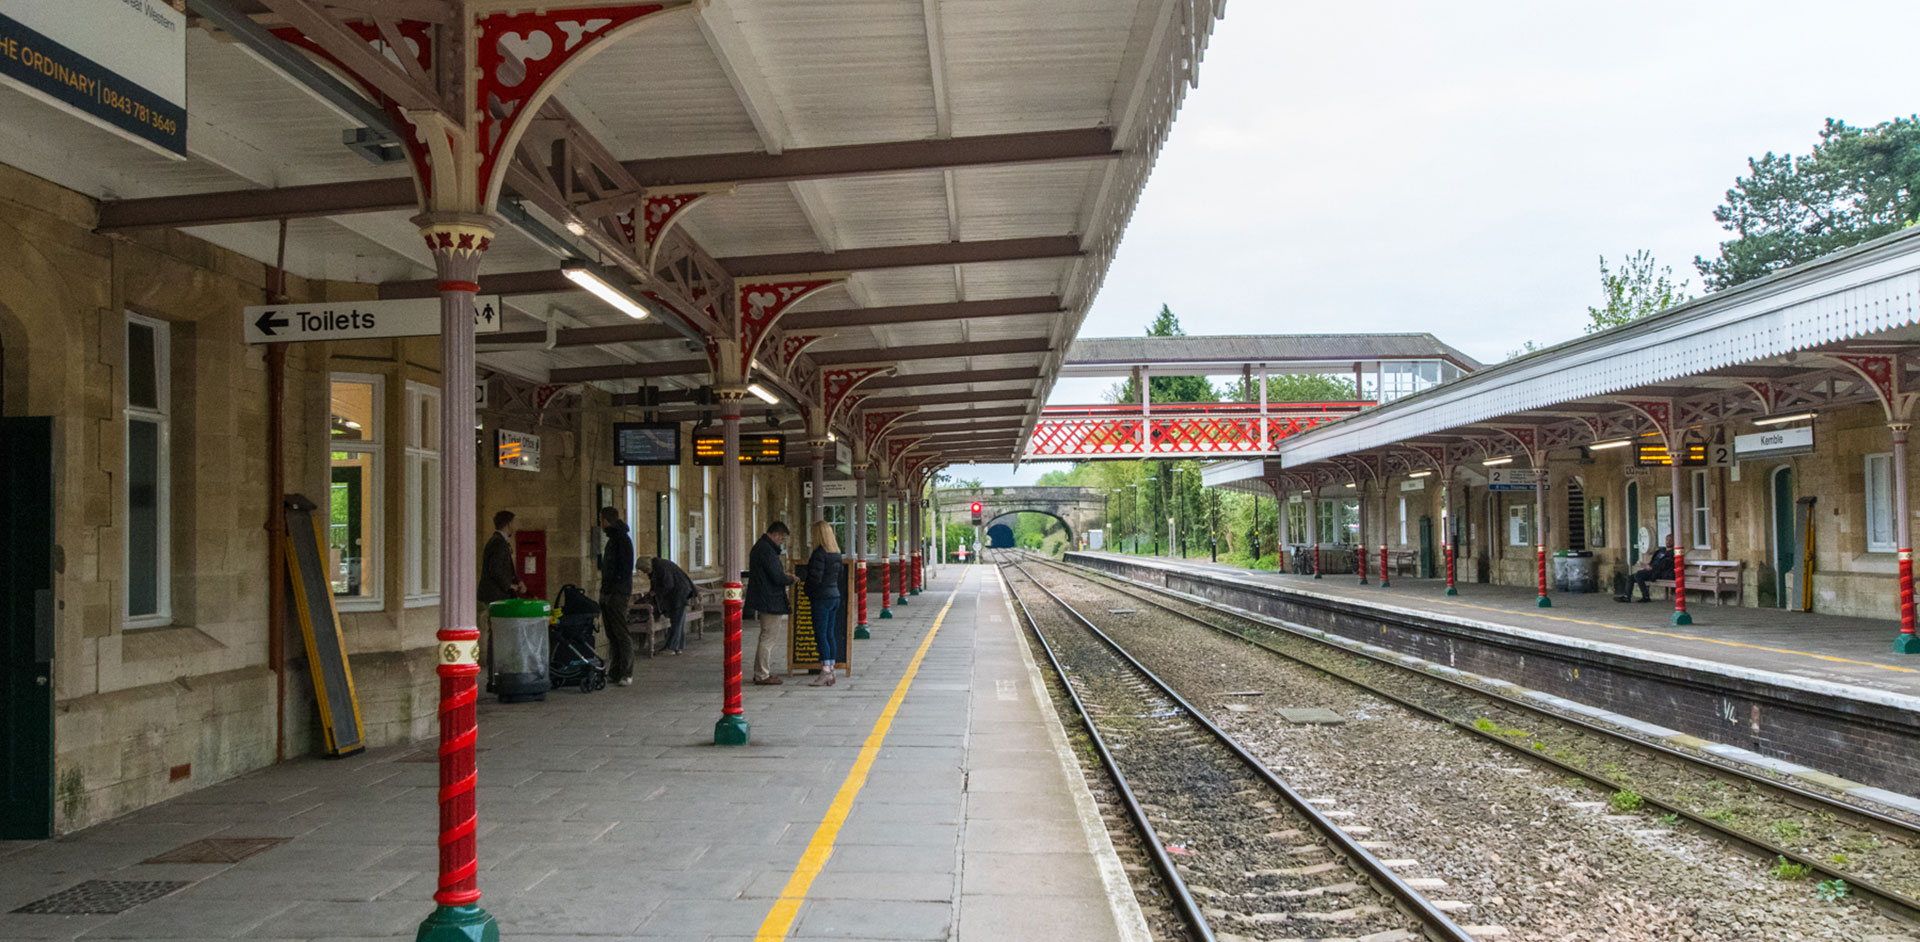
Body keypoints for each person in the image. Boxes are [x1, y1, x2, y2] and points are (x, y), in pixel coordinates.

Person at [478, 510, 524, 691]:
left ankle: (496, 675)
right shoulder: (498, 543)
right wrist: (510, 586)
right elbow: (496, 569)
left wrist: (517, 581)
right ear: (507, 524)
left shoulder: (498, 542)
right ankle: (494, 677)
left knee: (497, 636)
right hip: (496, 595)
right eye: (512, 523)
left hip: (497, 594)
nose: (513, 527)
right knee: (496, 637)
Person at [745, 521, 794, 685]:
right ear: (776, 535)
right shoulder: (766, 551)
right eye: (782, 539)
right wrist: (791, 579)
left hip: (765, 597)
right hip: (770, 599)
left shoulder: (761, 548)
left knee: (766, 636)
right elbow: (777, 577)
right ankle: (762, 674)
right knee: (768, 637)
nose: (782, 543)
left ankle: (761, 672)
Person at [802, 521, 845, 686]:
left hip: (821, 598)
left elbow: (814, 579)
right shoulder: (836, 553)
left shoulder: (819, 554)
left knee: (820, 634)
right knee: (830, 633)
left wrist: (807, 591)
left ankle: (825, 670)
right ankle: (831, 667)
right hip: (835, 596)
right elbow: (839, 576)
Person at [598, 507, 636, 686]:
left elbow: (623, 568)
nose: (600, 524)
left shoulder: (621, 540)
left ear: (606, 520)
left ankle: (626, 672)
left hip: (617, 593)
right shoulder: (613, 540)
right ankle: (615, 671)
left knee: (621, 632)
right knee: (612, 633)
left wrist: (613, 588)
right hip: (609, 592)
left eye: (601, 520)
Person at [648, 554, 695, 655]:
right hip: (681, 592)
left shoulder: (660, 567)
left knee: (676, 621)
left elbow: (668, 584)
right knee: (679, 621)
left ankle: (671, 648)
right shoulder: (659, 566)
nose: (644, 573)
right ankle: (677, 647)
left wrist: (656, 592)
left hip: (679, 593)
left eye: (644, 570)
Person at [1626, 536, 1676, 602]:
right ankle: (1626, 596)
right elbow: (1653, 560)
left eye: (1670, 540)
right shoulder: (1660, 551)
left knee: (1638, 575)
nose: (1668, 542)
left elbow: (1666, 565)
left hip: (1660, 572)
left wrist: (1652, 568)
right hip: (1651, 570)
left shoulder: (1673, 553)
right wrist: (1648, 566)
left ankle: (1646, 596)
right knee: (1631, 577)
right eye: (1667, 540)